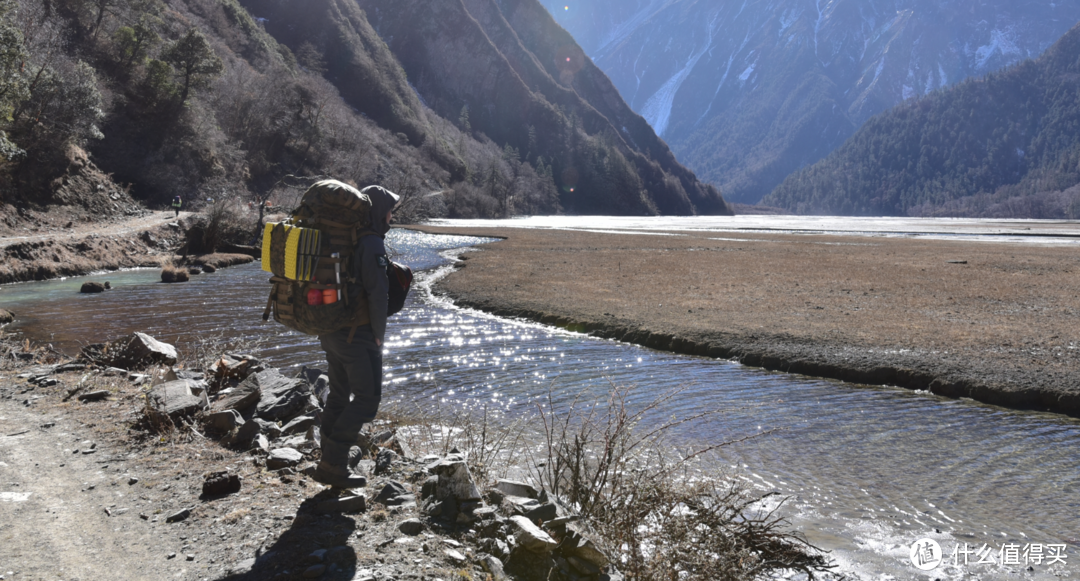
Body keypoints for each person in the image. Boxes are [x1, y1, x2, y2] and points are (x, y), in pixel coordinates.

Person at [310, 186, 400, 488]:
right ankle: (334, 461)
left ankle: (327, 458)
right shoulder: (371, 242)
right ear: (378, 211)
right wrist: (378, 336)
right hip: (356, 335)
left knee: (338, 394)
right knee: (368, 399)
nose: (391, 217)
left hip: (331, 329)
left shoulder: (346, 236)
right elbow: (378, 293)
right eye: (390, 211)